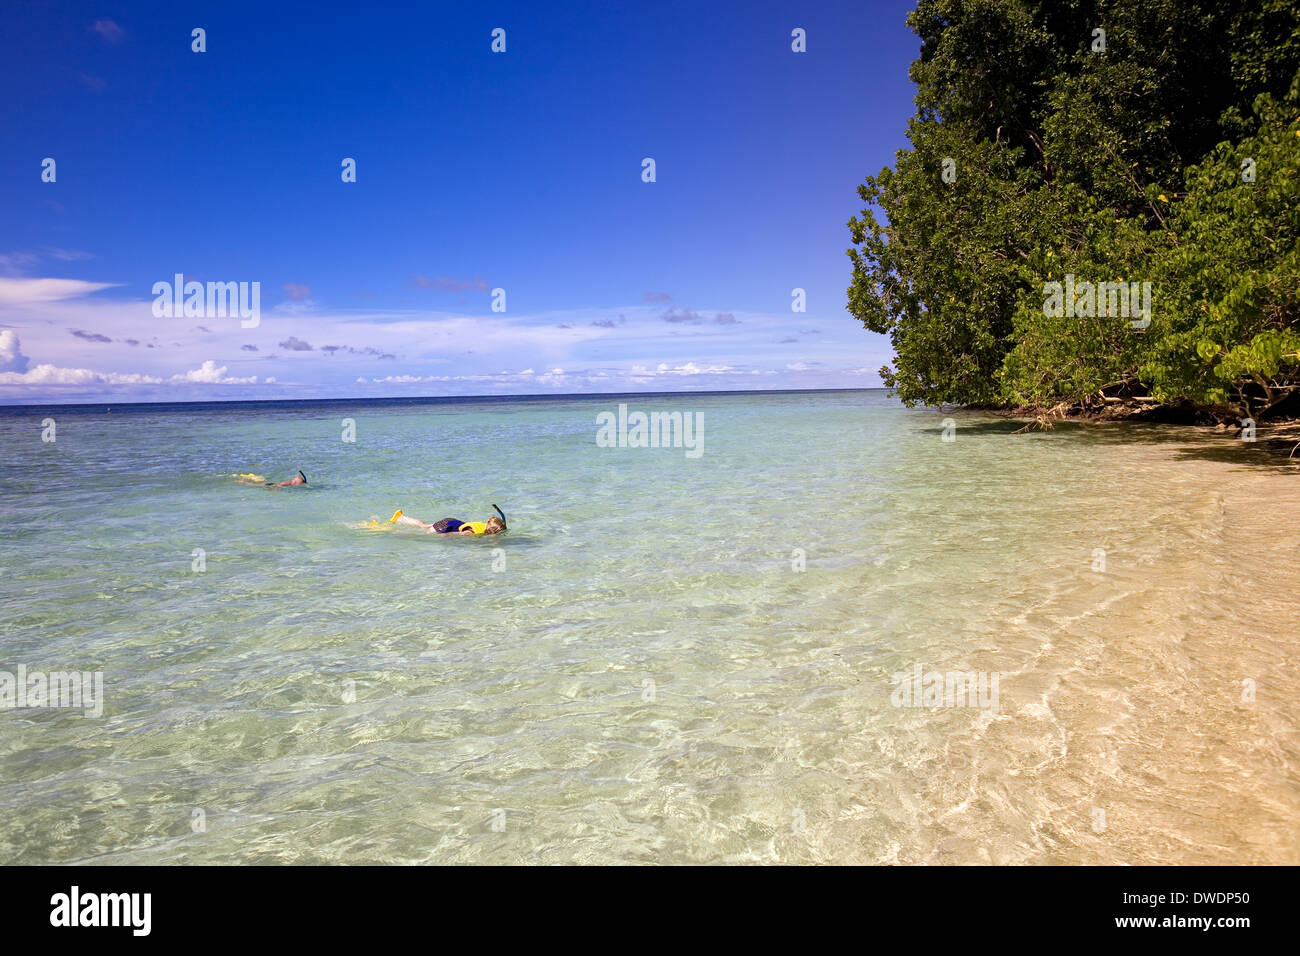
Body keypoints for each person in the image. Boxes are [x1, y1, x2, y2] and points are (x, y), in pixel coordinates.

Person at [384, 504, 507, 535]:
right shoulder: (472, 533)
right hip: (445, 528)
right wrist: (443, 536)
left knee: (424, 525)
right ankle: (395, 532)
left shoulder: (482, 525)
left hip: (451, 521)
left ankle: (401, 518)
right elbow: (457, 534)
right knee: (422, 533)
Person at [237, 470, 307, 487]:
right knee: (256, 485)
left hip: (275, 484)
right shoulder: (297, 482)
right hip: (275, 484)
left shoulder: (296, 480)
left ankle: (245, 480)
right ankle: (242, 481)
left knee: (258, 483)